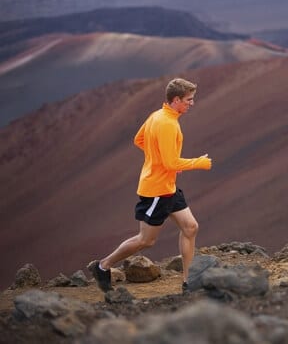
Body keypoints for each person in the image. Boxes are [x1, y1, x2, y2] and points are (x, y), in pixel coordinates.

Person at [89, 78, 212, 294]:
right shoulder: (167, 123)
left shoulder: (159, 115)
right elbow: (170, 163)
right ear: (176, 100)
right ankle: (103, 266)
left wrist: (161, 160)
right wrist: (198, 163)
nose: (192, 103)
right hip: (157, 191)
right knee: (146, 241)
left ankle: (188, 281)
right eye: (189, 100)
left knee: (190, 227)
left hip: (168, 186)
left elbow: (139, 140)